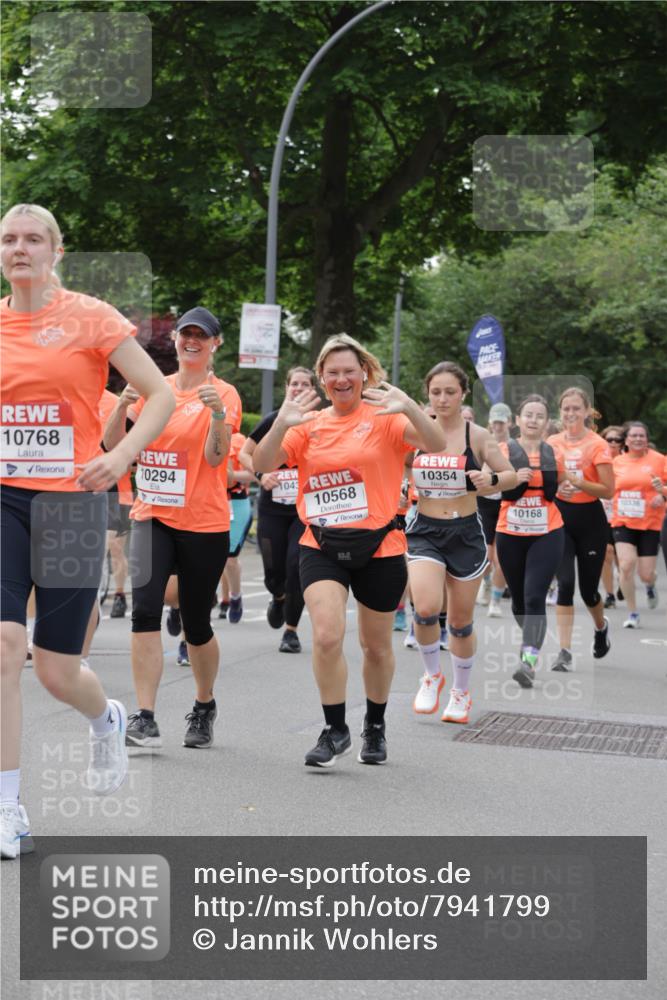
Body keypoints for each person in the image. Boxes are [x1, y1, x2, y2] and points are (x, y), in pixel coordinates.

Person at [0, 203, 174, 859]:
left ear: (56, 252)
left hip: (71, 504)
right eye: (10, 239)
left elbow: (159, 394)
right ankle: (8, 805)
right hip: (4, 498)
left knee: (54, 669)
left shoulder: (90, 318)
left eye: (33, 239)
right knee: (3, 643)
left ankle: (107, 720)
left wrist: (122, 456)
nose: (21, 249)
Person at [253, 334, 446, 767]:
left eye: (349, 371)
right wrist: (282, 422)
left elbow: (435, 445)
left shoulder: (387, 417)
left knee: (376, 646)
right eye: (333, 373)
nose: (342, 380)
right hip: (320, 543)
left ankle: (374, 726)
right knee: (325, 635)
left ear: (364, 375)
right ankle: (335, 728)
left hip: (379, 544)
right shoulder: (309, 424)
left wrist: (412, 405)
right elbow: (262, 464)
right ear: (322, 379)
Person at [104, 306, 241, 750]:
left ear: (215, 343)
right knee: (145, 610)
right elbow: (114, 446)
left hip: (203, 523)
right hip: (152, 516)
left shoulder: (225, 394)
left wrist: (218, 416)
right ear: (178, 340)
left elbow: (219, 459)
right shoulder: (154, 390)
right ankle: (145, 716)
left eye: (202, 335)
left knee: (197, 623)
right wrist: (123, 405)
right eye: (186, 334)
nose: (192, 341)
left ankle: (204, 705)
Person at [408, 362, 516, 722]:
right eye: (435, 392)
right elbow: (393, 465)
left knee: (459, 621)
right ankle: (431, 675)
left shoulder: (479, 435)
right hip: (425, 530)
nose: (442, 398)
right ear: (428, 393)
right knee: (424, 608)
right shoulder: (416, 432)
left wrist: (490, 481)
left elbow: (510, 475)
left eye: (450, 391)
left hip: (466, 533)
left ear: (463, 394)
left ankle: (461, 691)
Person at [240, 367, 316, 654]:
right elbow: (245, 453)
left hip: (303, 511)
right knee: (274, 572)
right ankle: (279, 596)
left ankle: (291, 631)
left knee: (297, 566)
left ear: (313, 390)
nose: (298, 388)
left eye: (305, 384)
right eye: (294, 383)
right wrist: (261, 476)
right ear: (287, 388)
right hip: (272, 510)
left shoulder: (317, 422)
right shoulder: (273, 421)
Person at [494, 395, 566, 687]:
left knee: (535, 596)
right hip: (510, 532)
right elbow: (488, 484)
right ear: (517, 421)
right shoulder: (501, 450)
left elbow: (564, 482)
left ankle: (529, 660)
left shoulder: (554, 453)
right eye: (528, 415)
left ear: (546, 422)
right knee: (520, 603)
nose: (534, 420)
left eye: (539, 415)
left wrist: (572, 488)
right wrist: (509, 478)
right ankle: (533, 637)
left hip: (547, 531)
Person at [547, 388, 614, 671]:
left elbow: (608, 490)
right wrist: (556, 487)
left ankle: (600, 627)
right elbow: (544, 480)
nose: (571, 414)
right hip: (560, 518)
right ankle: (564, 651)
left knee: (588, 591)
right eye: (566, 409)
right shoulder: (551, 442)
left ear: (587, 412)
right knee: (565, 585)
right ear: (560, 412)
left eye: (576, 409)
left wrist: (578, 481)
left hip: (590, 520)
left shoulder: (597, 444)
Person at [611, 421, 665, 628]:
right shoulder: (617, 463)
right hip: (623, 520)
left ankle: (650, 584)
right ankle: (632, 613)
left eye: (641, 436)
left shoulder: (659, 460)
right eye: (633, 436)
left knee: (645, 573)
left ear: (647, 439)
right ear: (626, 440)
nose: (637, 439)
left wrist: (663, 497)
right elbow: (607, 486)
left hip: (650, 523)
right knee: (625, 565)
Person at [99, 388, 135, 618]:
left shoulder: (116, 403)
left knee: (115, 546)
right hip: (84, 490)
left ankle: (120, 594)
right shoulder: (70, 397)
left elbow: (136, 454)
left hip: (119, 493)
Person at [478, 401, 513, 617]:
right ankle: (487, 582)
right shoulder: (483, 442)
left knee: (502, 556)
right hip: (484, 502)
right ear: (490, 423)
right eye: (495, 422)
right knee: (486, 555)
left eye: (502, 422)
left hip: (506, 503)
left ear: (509, 423)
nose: (498, 426)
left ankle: (495, 601)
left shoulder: (515, 445)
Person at [221, 430, 255, 623]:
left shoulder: (239, 440)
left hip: (235, 502)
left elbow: (255, 474)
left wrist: (232, 474)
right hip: (207, 500)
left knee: (230, 559)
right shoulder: (197, 432)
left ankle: (235, 596)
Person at [599, 426, 626, 608]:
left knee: (622, 559)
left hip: (624, 516)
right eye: (610, 440)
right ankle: (609, 594)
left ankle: (622, 577)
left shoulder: (627, 462)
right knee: (606, 554)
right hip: (602, 515)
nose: (613, 443)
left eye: (618, 440)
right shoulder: (598, 459)